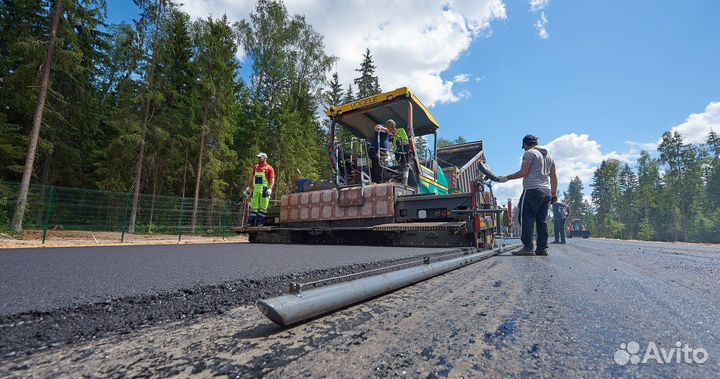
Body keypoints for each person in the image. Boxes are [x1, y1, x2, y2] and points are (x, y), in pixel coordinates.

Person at [498, 135, 558, 256]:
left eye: (524, 147)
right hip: (546, 192)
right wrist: (554, 195)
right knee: (542, 220)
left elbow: (523, 172)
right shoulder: (549, 156)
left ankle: (528, 247)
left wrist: (507, 177)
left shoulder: (529, 153)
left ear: (525, 144)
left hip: (532, 190)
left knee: (526, 218)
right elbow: (554, 176)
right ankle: (542, 248)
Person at [244, 152, 275, 226]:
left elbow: (272, 179)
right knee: (254, 207)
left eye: (260, 157)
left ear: (265, 158)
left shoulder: (269, 168)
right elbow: (252, 177)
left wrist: (270, 189)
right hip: (256, 189)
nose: (258, 158)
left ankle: (260, 223)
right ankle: (250, 223)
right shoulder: (255, 167)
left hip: (264, 190)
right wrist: (248, 187)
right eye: (258, 157)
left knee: (263, 207)